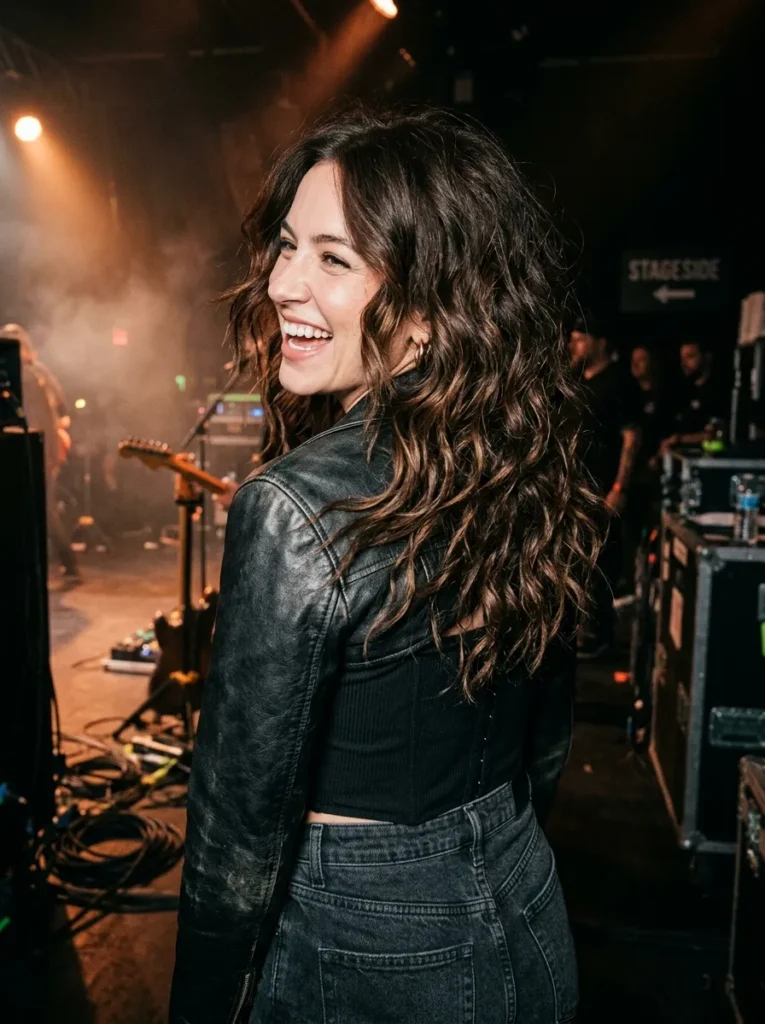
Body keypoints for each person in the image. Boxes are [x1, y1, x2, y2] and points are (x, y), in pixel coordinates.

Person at [169, 107, 603, 1024]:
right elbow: (547, 734)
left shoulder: (291, 507)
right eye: (288, 245)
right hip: (521, 883)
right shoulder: (520, 449)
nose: (283, 283)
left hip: (364, 936)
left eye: (335, 259)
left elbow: (236, 837)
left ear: (434, 298)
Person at [569, 317, 641, 657]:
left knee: (602, 562)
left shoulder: (619, 381)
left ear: (599, 341)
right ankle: (582, 631)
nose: (573, 346)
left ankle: (601, 636)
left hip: (604, 488)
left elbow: (631, 436)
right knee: (577, 562)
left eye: (580, 340)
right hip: (577, 491)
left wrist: (619, 487)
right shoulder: (580, 381)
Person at [1, 323, 80, 581]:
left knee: (40, 508)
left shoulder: (20, 376)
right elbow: (63, 410)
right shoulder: (40, 370)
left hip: (35, 450)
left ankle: (57, 564)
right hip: (47, 448)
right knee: (40, 507)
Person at [659, 340, 727, 454]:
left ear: (707, 357)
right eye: (682, 358)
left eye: (690, 357)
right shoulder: (683, 390)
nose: (684, 363)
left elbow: (714, 435)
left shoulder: (718, 392)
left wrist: (679, 439)